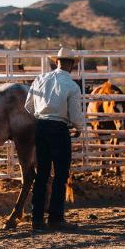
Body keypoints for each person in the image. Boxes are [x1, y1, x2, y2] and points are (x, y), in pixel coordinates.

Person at [25, 47, 85, 231]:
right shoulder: (72, 86)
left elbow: (28, 106)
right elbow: (75, 115)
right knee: (60, 174)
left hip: (41, 127)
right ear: (72, 65)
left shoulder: (40, 79)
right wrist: (80, 128)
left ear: (56, 61)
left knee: (42, 173)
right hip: (59, 129)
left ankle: (36, 218)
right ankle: (56, 217)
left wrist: (41, 116)